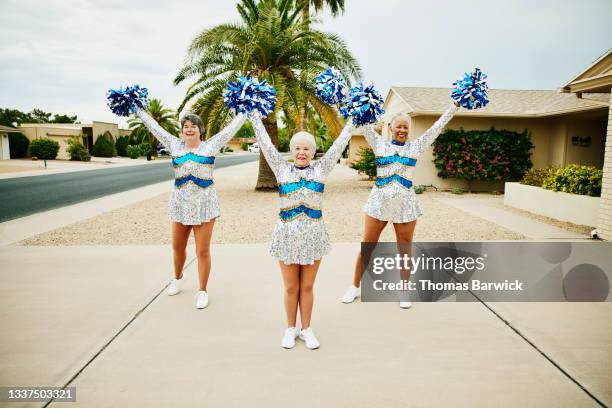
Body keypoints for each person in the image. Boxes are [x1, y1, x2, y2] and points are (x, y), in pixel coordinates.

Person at [249, 111, 355, 349]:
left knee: (307, 286)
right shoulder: (281, 169)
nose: (301, 152)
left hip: (314, 236)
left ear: (314, 151)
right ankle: (290, 328)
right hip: (286, 236)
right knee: (290, 287)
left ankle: (306, 329)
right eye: (297, 148)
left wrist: (353, 120)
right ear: (291, 150)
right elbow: (265, 143)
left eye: (306, 148)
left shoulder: (322, 169)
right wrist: (254, 115)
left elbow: (339, 145)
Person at [341, 101, 460, 308]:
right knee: (367, 247)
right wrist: (345, 100)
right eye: (399, 126)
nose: (402, 130)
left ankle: (404, 290)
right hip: (378, 204)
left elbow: (437, 127)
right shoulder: (379, 143)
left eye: (406, 127)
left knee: (404, 249)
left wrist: (455, 105)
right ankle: (354, 286)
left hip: (406, 204)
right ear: (390, 128)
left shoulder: (416, 146)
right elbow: (363, 123)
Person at [134, 106, 246, 309]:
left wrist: (246, 110)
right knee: (177, 247)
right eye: (186, 126)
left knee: (202, 251)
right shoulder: (174, 145)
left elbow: (230, 129)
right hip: (180, 204)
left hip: (205, 205)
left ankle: (202, 290)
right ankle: (177, 278)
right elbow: (155, 128)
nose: (189, 129)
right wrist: (137, 108)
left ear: (201, 130)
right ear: (181, 130)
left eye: (193, 126)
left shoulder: (210, 146)